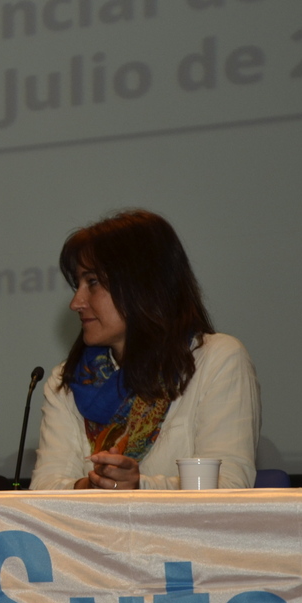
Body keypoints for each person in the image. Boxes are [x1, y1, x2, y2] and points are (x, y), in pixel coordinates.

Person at [30, 209, 260, 490]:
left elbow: (229, 487)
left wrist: (138, 488)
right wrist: (93, 487)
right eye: (77, 284)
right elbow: (44, 489)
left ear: (142, 284)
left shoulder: (217, 359)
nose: (76, 302)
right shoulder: (68, 380)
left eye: (92, 282)